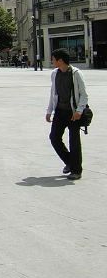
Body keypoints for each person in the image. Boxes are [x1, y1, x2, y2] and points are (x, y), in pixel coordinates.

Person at [46, 48, 88, 180]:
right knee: (54, 137)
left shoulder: (76, 73)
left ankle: (76, 170)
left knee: (74, 141)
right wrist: (49, 111)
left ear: (60, 60)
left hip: (73, 112)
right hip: (59, 111)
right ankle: (70, 162)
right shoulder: (54, 73)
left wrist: (79, 111)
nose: (52, 61)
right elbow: (53, 94)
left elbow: (84, 95)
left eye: (53, 59)